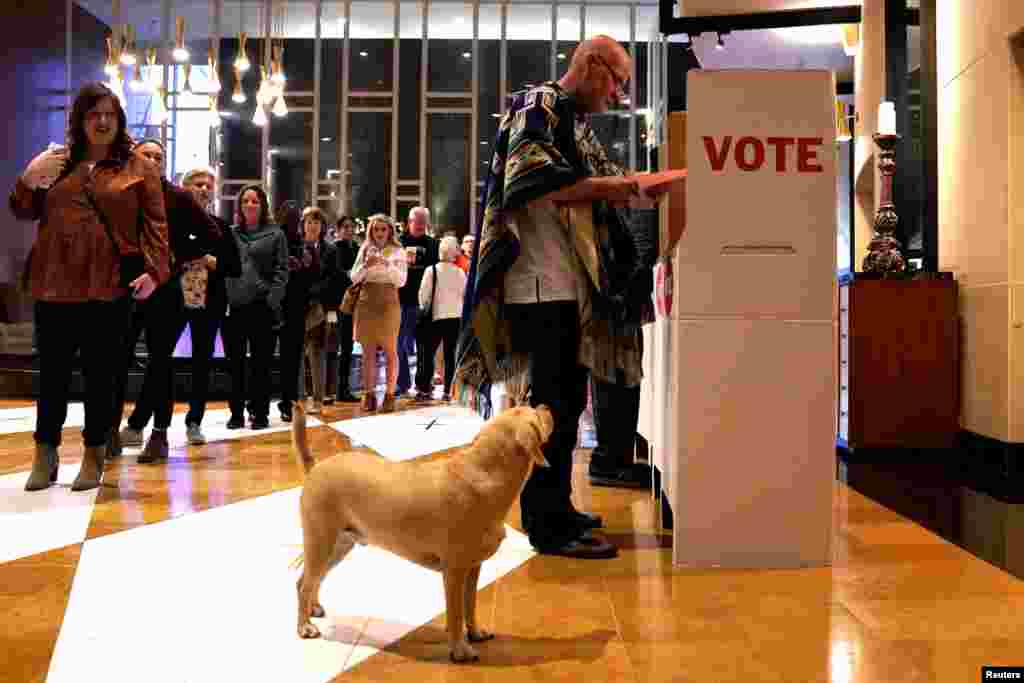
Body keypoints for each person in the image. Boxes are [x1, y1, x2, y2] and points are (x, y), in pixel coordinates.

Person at [453, 36, 673, 559]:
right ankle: (546, 524)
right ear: (592, 66)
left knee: (567, 404)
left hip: (561, 284)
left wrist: (636, 186)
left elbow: (594, 181)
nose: (619, 94)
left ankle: (558, 508)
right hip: (538, 283)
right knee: (553, 406)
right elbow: (542, 185)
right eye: (617, 81)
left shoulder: (571, 122)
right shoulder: (538, 106)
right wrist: (633, 185)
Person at [10, 81, 169, 491]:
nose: (101, 121)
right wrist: (28, 178)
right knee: (52, 376)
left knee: (102, 377)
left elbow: (156, 225)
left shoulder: (139, 167)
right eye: (93, 114)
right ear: (80, 121)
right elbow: (22, 210)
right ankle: (44, 453)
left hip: (108, 286)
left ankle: (94, 453)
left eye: (109, 114)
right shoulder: (58, 164)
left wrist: (155, 272)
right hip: (54, 283)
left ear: (119, 120)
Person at [110, 145, 237, 462]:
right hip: (123, 288)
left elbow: (214, 239)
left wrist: (176, 256)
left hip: (168, 290)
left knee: (162, 361)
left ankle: (161, 434)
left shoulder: (177, 198)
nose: (152, 161)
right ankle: (113, 432)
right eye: (146, 155)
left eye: (158, 157)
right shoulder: (121, 192)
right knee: (115, 360)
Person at [224, 185, 288, 429]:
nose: (250, 205)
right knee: (235, 365)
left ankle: (260, 413)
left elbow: (283, 271)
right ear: (239, 206)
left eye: (255, 201)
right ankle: (236, 413)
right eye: (246, 201)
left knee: (261, 365)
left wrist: (272, 298)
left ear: (263, 205)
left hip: (262, 307)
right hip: (235, 308)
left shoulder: (276, 234)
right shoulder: (230, 233)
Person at [350, 214, 407, 413]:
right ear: (371, 231)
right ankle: (369, 394)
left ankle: (390, 395)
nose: (380, 233)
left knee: (391, 351)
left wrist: (386, 263)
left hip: (389, 301)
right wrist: (366, 265)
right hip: (366, 301)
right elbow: (354, 277)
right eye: (376, 229)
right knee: (368, 352)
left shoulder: (398, 251)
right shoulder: (365, 248)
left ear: (390, 231)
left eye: (383, 229)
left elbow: (401, 281)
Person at [296, 207, 340, 414]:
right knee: (296, 353)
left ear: (322, 226)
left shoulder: (330, 250)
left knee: (317, 353)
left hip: (320, 307)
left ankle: (318, 399)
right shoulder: (295, 246)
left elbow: (333, 279)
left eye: (316, 222)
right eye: (309, 222)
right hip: (297, 306)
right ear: (302, 225)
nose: (312, 226)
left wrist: (316, 293)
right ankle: (299, 398)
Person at [396, 206, 438, 400]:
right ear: (409, 222)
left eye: (423, 221)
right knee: (400, 345)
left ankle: (422, 385)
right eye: (416, 221)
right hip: (402, 302)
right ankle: (402, 383)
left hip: (426, 303)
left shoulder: (434, 244)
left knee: (425, 347)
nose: (420, 225)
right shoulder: (399, 243)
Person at [417, 236, 467, 401]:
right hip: (455, 318)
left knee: (428, 353)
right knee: (450, 355)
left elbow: (423, 296)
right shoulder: (460, 272)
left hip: (436, 317)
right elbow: (465, 294)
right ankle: (448, 390)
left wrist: (423, 308)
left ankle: (425, 389)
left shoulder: (431, 270)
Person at [277, 201, 306, 422]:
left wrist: (305, 264)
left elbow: (312, 276)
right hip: (274, 303)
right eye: (290, 216)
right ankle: (261, 403)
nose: (294, 220)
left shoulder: (303, 243)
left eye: (297, 216)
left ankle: (289, 401)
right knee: (266, 354)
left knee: (292, 357)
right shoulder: (275, 239)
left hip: (296, 305)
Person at [328, 215, 360, 403]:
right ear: (338, 229)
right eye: (345, 227)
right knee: (334, 347)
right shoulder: (333, 248)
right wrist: (349, 275)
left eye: (351, 227)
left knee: (347, 347)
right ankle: (330, 390)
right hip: (337, 303)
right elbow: (335, 274)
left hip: (354, 303)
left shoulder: (357, 248)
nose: (349, 230)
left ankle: (343, 388)